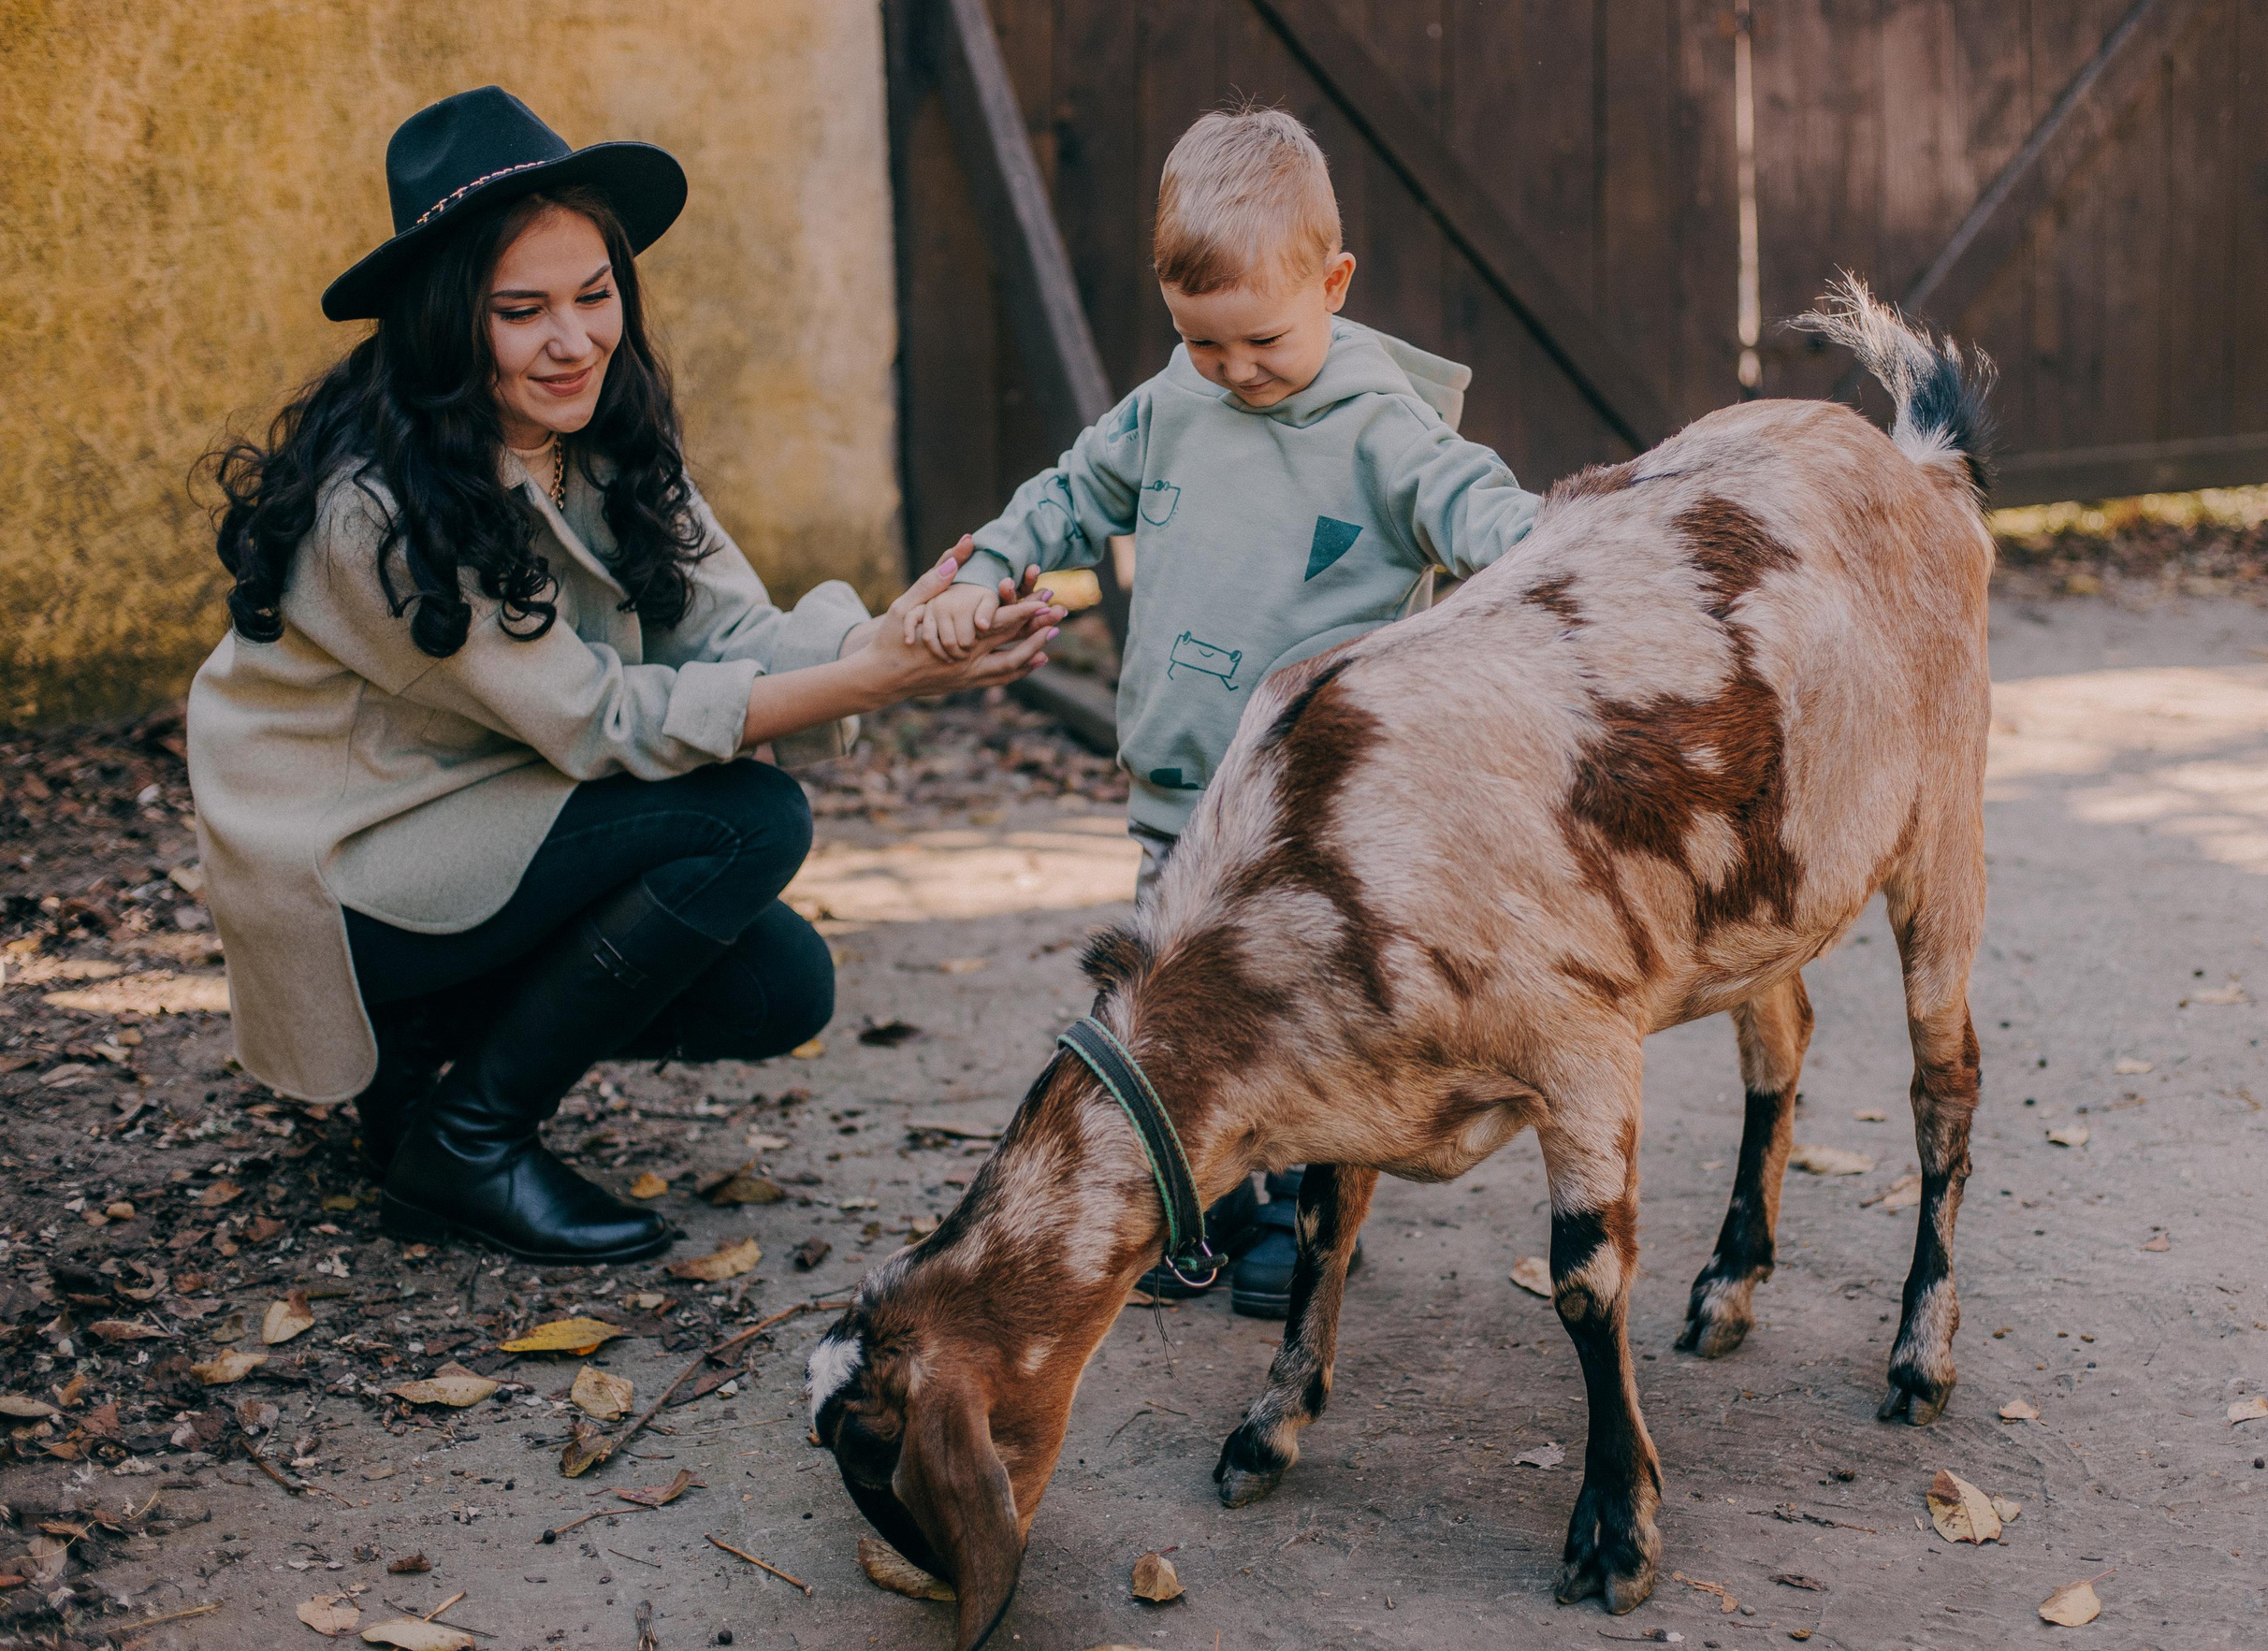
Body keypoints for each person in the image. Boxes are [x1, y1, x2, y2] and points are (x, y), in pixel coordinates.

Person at [188, 86, 1060, 1266]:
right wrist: (875, 685)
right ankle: (470, 1142)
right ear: (448, 320)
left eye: (594, 296)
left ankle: (425, 1082)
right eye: (523, 310)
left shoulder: (597, 433)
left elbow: (725, 626)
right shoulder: (377, 508)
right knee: (744, 816)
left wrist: (892, 640)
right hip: (352, 871)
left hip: (489, 821)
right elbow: (598, 721)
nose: (574, 339)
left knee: (777, 986)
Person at [909, 107, 1543, 1315]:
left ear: (1334, 282)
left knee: (1308, 1010)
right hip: (1176, 787)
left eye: (1263, 339)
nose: (1238, 370)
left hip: (1319, 814)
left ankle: (1305, 1217)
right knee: (1177, 1008)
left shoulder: (1382, 423)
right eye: (1205, 345)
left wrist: (1562, 557)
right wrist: (987, 566)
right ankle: (1212, 1202)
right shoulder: (1170, 404)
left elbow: (1487, 516)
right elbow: (1069, 494)